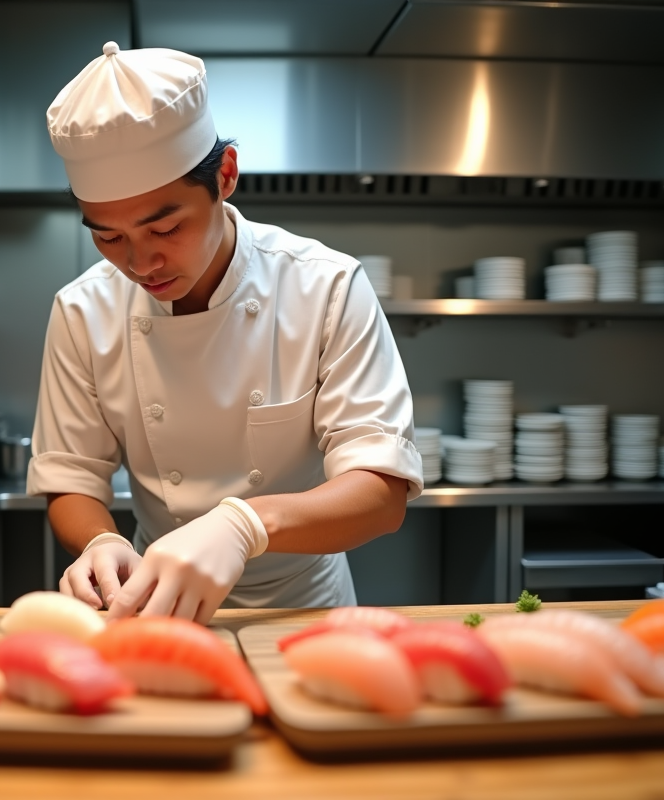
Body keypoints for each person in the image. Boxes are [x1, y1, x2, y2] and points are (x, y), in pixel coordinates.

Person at [26, 42, 422, 625]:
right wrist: (99, 544)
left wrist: (245, 526)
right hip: (153, 602)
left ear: (226, 176)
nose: (140, 263)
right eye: (109, 238)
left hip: (301, 607)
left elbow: (380, 494)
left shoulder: (325, 287)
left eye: (165, 227)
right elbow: (70, 475)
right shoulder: (83, 310)